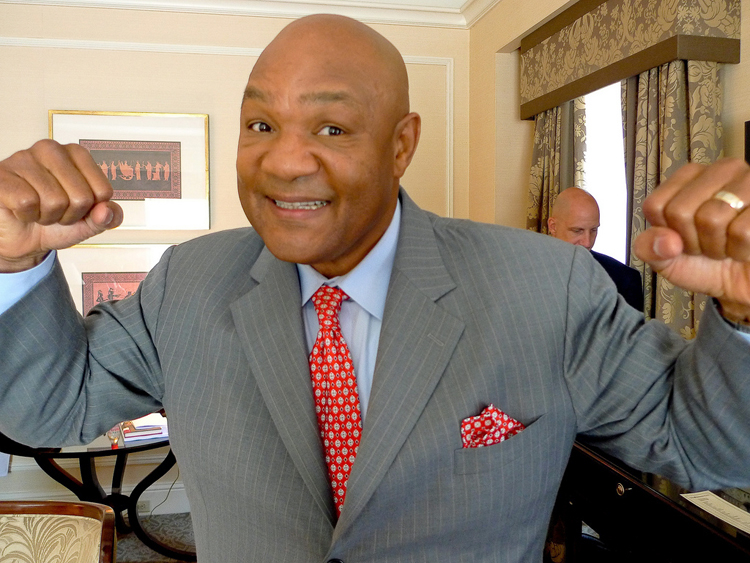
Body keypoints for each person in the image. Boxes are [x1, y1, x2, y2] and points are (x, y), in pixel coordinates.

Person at [1, 14, 750, 563]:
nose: (284, 161)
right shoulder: (186, 282)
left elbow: (704, 444)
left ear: (401, 145)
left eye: (331, 129)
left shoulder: (547, 285)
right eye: (260, 123)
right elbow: (50, 404)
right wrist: (16, 266)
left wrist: (744, 314)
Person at [548, 186, 644, 310]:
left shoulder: (624, 280)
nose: (587, 242)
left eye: (594, 230)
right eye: (577, 231)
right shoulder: (524, 272)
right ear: (553, 226)